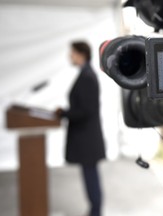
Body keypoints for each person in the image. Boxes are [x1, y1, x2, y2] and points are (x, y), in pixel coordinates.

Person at [55, 41, 105, 216]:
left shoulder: (87, 77)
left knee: (91, 177)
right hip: (86, 137)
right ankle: (94, 211)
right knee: (90, 176)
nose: (70, 56)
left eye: (72, 53)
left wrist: (65, 113)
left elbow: (86, 110)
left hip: (87, 138)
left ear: (81, 54)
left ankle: (95, 212)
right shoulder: (86, 74)